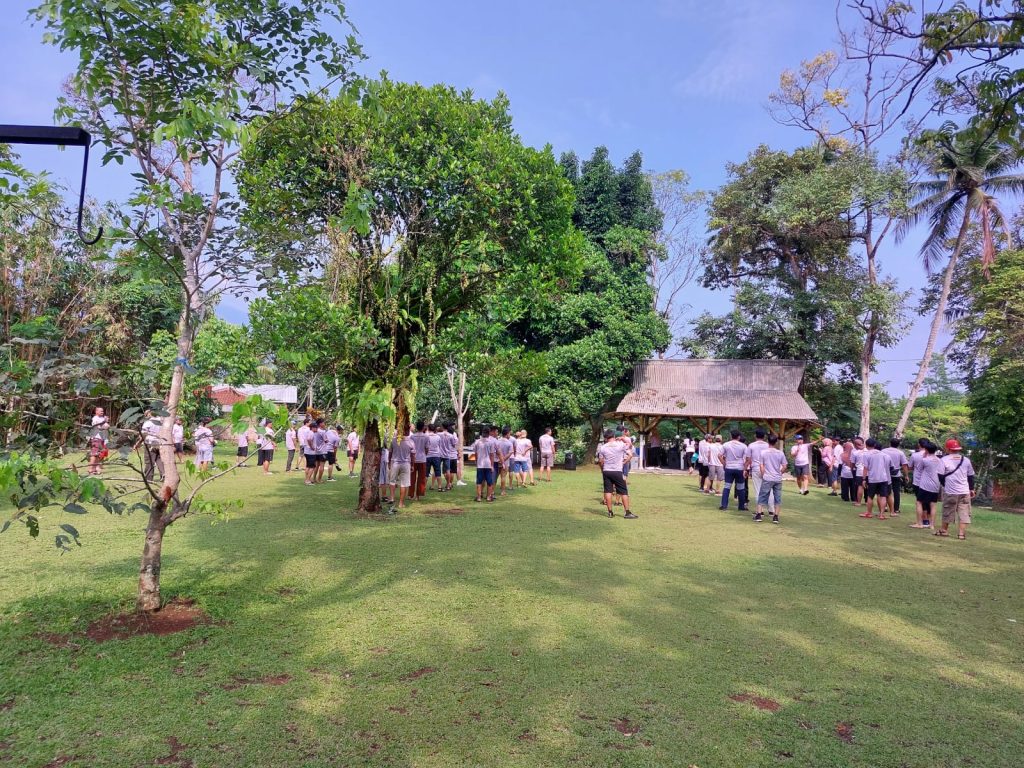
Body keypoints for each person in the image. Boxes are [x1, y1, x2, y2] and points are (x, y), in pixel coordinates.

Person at [936, 438, 975, 540]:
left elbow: (940, 476)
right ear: (958, 449)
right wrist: (972, 489)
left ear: (948, 449)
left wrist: (945, 485)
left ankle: (944, 531)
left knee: (948, 510)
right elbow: (970, 476)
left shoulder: (944, 460)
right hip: (965, 491)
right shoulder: (966, 460)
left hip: (951, 491)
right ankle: (961, 534)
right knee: (964, 512)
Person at [598, 429, 636, 519]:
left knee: (608, 491)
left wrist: (602, 469)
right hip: (617, 471)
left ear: (606, 437)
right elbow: (630, 448)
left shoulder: (603, 447)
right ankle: (627, 512)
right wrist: (623, 438)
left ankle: (610, 512)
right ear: (614, 436)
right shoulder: (620, 445)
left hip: (606, 471)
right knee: (623, 491)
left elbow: (600, 461)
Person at [755, 434, 787, 523]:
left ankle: (758, 515)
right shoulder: (780, 453)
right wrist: (780, 472)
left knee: (762, 495)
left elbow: (761, 465)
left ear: (768, 441)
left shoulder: (763, 452)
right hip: (777, 478)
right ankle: (776, 516)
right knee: (777, 497)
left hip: (767, 477)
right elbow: (784, 466)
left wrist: (762, 474)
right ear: (776, 442)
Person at [911, 440, 942, 529]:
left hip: (924, 484)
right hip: (936, 485)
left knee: (919, 502)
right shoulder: (939, 460)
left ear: (926, 450)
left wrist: (925, 455)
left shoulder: (925, 460)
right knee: (933, 504)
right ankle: (931, 525)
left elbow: (919, 469)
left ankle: (920, 523)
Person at [859, 438, 892, 520]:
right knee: (883, 496)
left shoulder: (866, 455)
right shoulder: (883, 454)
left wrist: (863, 479)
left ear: (866, 445)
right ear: (875, 445)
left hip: (873, 478)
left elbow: (865, 468)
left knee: (870, 496)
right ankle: (881, 514)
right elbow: (887, 466)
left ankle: (869, 513)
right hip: (883, 478)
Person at [388, 426, 416, 513]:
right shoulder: (410, 442)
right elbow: (413, 455)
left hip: (395, 463)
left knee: (392, 481)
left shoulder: (394, 440)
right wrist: (412, 465)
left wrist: (389, 462)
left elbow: (390, 452)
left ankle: (392, 497)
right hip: (406, 464)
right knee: (404, 484)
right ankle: (401, 503)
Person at [720, 429, 749, 511]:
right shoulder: (743, 446)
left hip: (729, 467)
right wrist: (745, 468)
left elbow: (719, 455)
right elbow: (747, 458)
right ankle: (741, 506)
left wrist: (724, 463)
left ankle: (724, 505)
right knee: (741, 488)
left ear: (730, 436)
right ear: (739, 437)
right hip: (740, 468)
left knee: (727, 487)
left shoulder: (726, 445)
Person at [745, 429, 772, 516]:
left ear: (755, 436)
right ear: (764, 437)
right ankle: (771, 510)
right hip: (767, 469)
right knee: (769, 490)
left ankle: (760, 511)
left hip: (756, 468)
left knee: (758, 490)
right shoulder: (768, 445)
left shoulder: (751, 445)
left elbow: (748, 459)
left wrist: (745, 469)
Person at [882, 438, 910, 516]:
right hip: (896, 473)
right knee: (896, 491)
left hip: (885, 473)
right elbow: (904, 464)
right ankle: (896, 508)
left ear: (890, 443)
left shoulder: (883, 451)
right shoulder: (900, 453)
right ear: (898, 445)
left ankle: (885, 507)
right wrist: (906, 475)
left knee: (885, 490)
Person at [472, 426, 496, 502]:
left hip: (480, 464)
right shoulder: (491, 442)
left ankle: (478, 497)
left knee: (479, 481)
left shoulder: (477, 442)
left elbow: (475, 453)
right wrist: (492, 465)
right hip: (488, 464)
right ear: (489, 433)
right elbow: (492, 455)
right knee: (489, 481)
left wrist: (476, 461)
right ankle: (489, 497)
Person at [140, 410, 164, 481]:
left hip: (150, 443)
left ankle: (148, 478)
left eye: (146, 414)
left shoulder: (148, 422)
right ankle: (164, 475)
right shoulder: (161, 422)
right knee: (159, 459)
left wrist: (139, 442)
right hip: (159, 442)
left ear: (150, 414)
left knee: (149, 460)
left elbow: (143, 434)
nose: (146, 416)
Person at [410, 420, 429, 501]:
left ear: (416, 427)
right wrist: (425, 454)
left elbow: (410, 448)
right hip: (422, 459)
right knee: (421, 478)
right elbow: (427, 448)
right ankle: (418, 495)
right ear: (423, 427)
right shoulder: (426, 437)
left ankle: (411, 494)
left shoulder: (412, 437)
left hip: (413, 459)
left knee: (412, 477)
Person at [495, 427, 514, 496]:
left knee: (495, 477)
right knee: (503, 477)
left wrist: (500, 459)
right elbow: (509, 453)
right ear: (507, 434)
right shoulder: (509, 443)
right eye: (509, 433)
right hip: (505, 462)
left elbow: (495, 452)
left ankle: (492, 491)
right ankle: (503, 491)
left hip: (496, 461)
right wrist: (503, 460)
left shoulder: (497, 441)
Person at [302, 421, 321, 486]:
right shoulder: (311, 433)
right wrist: (312, 447)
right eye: (316, 428)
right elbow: (309, 440)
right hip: (310, 452)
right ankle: (307, 480)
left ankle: (307, 479)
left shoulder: (308, 432)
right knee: (312, 467)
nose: (317, 429)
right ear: (313, 428)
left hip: (307, 452)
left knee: (308, 466)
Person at [379, 428, 393, 503]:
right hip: (383, 457)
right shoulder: (383, 434)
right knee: (383, 478)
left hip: (381, 456)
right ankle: (383, 496)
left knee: (383, 477)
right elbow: (386, 445)